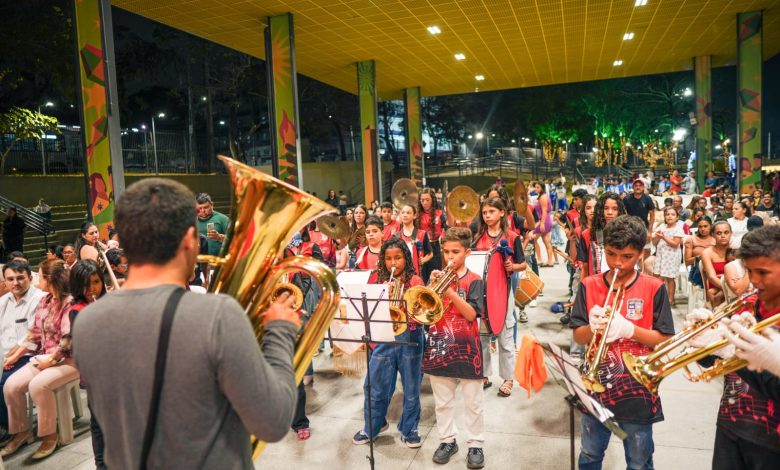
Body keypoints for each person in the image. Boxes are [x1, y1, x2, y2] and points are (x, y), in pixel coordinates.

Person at [72, 178, 300, 469]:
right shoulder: (216, 315)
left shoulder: (86, 322)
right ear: (191, 239)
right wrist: (279, 330)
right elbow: (273, 422)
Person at [571, 215, 675, 470]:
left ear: (641, 253)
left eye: (627, 256)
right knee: (590, 453)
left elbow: (664, 339)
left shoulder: (654, 287)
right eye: (611, 254)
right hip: (595, 390)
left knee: (639, 460)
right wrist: (591, 328)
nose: (618, 263)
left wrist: (629, 330)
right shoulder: (588, 285)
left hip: (637, 390)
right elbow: (577, 335)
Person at [701, 225, 780, 468]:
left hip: (771, 440)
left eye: (763, 272)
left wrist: (737, 355)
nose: (753, 281)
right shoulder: (748, 304)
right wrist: (705, 344)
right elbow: (717, 365)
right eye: (749, 271)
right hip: (731, 423)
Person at [1, 259, 78, 459]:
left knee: (37, 386)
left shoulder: (69, 302)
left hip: (69, 360)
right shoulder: (46, 301)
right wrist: (15, 355)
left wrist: (50, 361)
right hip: (44, 356)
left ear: (48, 279)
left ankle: (50, 435)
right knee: (11, 385)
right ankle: (21, 431)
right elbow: (34, 332)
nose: (37, 278)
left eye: (39, 275)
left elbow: (67, 340)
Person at [353, 238, 425, 448]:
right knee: (375, 386)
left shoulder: (416, 281)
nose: (393, 263)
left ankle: (410, 428)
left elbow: (421, 315)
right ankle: (373, 426)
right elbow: (369, 314)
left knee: (411, 389)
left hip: (410, 339)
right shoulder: (376, 281)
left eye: (398, 258)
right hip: (383, 339)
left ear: (406, 258)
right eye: (388, 258)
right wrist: (381, 296)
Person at [423, 227, 486, 469]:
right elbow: (426, 313)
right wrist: (432, 287)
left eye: (455, 252)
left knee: (473, 403)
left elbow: (471, 314)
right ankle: (448, 440)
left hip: (467, 348)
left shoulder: (475, 281)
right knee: (443, 402)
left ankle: (476, 443)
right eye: (446, 252)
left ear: (467, 252)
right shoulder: (435, 279)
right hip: (439, 344)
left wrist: (449, 290)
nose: (450, 257)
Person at [472, 198, 526, 395]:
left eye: (492, 211)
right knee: (483, 335)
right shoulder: (477, 238)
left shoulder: (512, 237)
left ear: (502, 213)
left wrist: (513, 267)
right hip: (481, 293)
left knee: (505, 334)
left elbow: (523, 264)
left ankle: (508, 378)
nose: (487, 215)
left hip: (503, 292)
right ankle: (484, 374)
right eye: (485, 212)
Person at [67, 259, 107, 469]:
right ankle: (101, 464)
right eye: (86, 284)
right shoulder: (77, 310)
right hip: (97, 374)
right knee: (99, 423)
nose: (92, 289)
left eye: (96, 282)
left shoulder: (110, 303)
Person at [0, 260, 45, 444]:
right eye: (10, 279)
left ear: (29, 277)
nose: (15, 283)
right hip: (5, 353)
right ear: (4, 281)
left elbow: (33, 336)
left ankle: (9, 428)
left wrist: (12, 356)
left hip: (29, 355)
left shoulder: (40, 298)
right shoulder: (4, 301)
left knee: (3, 383)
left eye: (20, 278)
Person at [577, 192, 626, 278]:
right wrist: (582, 289)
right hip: (595, 286)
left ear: (620, 212)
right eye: (606, 208)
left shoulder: (627, 234)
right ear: (600, 210)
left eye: (615, 209)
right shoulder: (587, 235)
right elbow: (585, 267)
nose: (610, 212)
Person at [652, 208, 684, 305]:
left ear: (677, 217)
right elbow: (654, 242)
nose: (670, 216)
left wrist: (663, 237)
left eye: (673, 214)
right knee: (657, 276)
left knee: (670, 278)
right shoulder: (662, 226)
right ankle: (657, 298)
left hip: (672, 256)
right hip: (661, 254)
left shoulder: (678, 229)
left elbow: (675, 244)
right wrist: (657, 237)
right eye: (668, 214)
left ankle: (671, 299)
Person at [701, 220, 732, 307]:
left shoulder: (736, 250)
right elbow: (711, 277)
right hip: (716, 286)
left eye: (726, 232)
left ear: (731, 233)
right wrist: (729, 289)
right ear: (713, 235)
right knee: (715, 294)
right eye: (718, 233)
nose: (723, 236)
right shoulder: (707, 253)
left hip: (734, 285)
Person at [419, 188, 446, 283]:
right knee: (422, 275)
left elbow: (446, 228)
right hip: (421, 247)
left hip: (435, 247)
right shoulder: (417, 215)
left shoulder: (440, 213)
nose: (425, 203)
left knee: (436, 276)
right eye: (422, 200)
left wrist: (443, 235)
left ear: (432, 200)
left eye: (427, 200)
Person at [397, 204, 433, 277]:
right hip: (401, 274)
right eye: (403, 213)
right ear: (400, 215)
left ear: (414, 216)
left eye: (408, 213)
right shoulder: (396, 235)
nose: (405, 215)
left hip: (418, 273)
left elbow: (430, 253)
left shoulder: (422, 234)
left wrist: (424, 260)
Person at [195, 192, 230, 257]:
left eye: (205, 207)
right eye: (199, 208)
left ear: (212, 205)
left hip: (218, 261)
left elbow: (233, 240)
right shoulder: (191, 221)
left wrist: (219, 237)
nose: (202, 211)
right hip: (198, 263)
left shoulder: (223, 219)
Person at [533, 182, 555, 266]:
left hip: (543, 220)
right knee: (546, 241)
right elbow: (551, 208)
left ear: (542, 188)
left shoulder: (542, 197)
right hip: (547, 220)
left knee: (533, 240)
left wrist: (542, 223)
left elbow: (544, 210)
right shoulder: (545, 196)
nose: (536, 189)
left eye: (538, 187)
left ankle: (539, 259)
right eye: (535, 187)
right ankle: (550, 261)